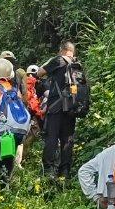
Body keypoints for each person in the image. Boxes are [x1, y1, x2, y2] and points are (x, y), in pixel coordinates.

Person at [38, 40, 89, 178]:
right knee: (67, 139)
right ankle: (65, 172)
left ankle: (48, 171)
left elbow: (39, 73)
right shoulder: (77, 65)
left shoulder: (58, 60)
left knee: (52, 137)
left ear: (62, 50)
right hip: (72, 108)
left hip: (56, 107)